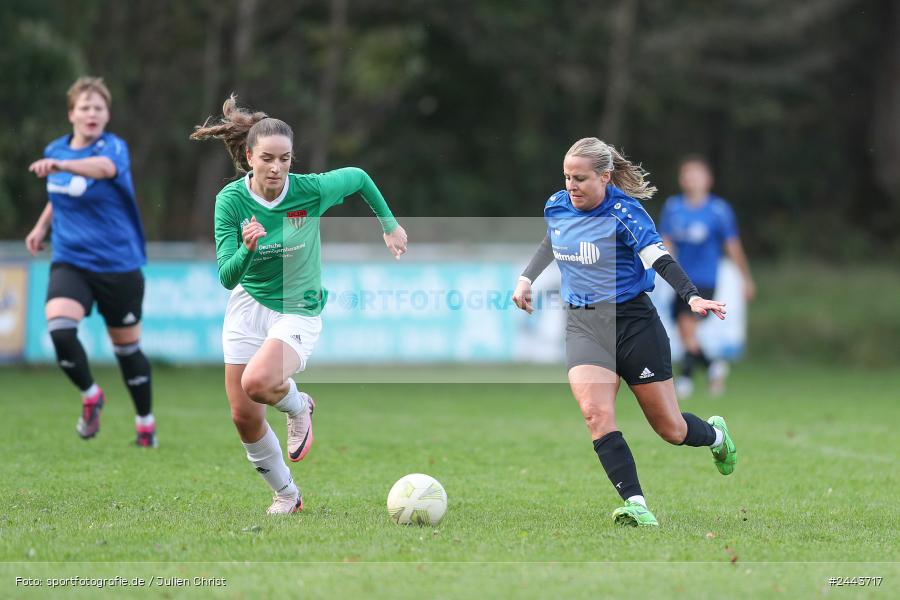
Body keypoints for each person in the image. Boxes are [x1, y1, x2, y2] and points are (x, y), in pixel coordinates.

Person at [191, 96, 407, 515]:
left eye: (285, 159)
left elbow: (360, 177)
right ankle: (287, 495)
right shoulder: (230, 202)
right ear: (249, 156)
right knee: (243, 416)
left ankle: (298, 405)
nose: (276, 168)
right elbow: (227, 276)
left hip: (298, 306)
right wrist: (250, 248)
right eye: (267, 158)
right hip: (247, 304)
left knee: (259, 382)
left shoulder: (309, 191)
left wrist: (390, 225)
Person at [512, 138, 736, 527]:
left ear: (604, 176)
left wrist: (692, 297)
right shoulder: (557, 205)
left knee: (671, 428)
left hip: (634, 324)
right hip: (583, 324)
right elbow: (553, 240)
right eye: (566, 177)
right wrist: (525, 278)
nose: (571, 186)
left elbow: (659, 258)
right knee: (596, 414)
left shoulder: (625, 213)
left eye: (580, 178)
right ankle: (637, 504)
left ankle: (716, 436)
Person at [25, 76, 156, 447]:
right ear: (72, 114)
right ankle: (90, 395)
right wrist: (41, 226)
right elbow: (59, 193)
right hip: (71, 261)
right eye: (85, 107)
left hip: (118, 264)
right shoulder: (57, 150)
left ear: (107, 114)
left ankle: (145, 423)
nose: (92, 113)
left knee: (127, 349)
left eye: (98, 107)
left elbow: (102, 170)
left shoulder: (113, 148)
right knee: (61, 330)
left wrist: (62, 166)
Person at [659, 156, 755, 397]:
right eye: (687, 175)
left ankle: (685, 379)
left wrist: (746, 278)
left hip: (705, 280)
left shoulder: (718, 210)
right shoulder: (673, 207)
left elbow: (732, 246)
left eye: (696, 175)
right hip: (680, 279)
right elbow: (666, 242)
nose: (691, 180)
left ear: (708, 180)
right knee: (685, 332)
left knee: (686, 327)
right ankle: (713, 367)